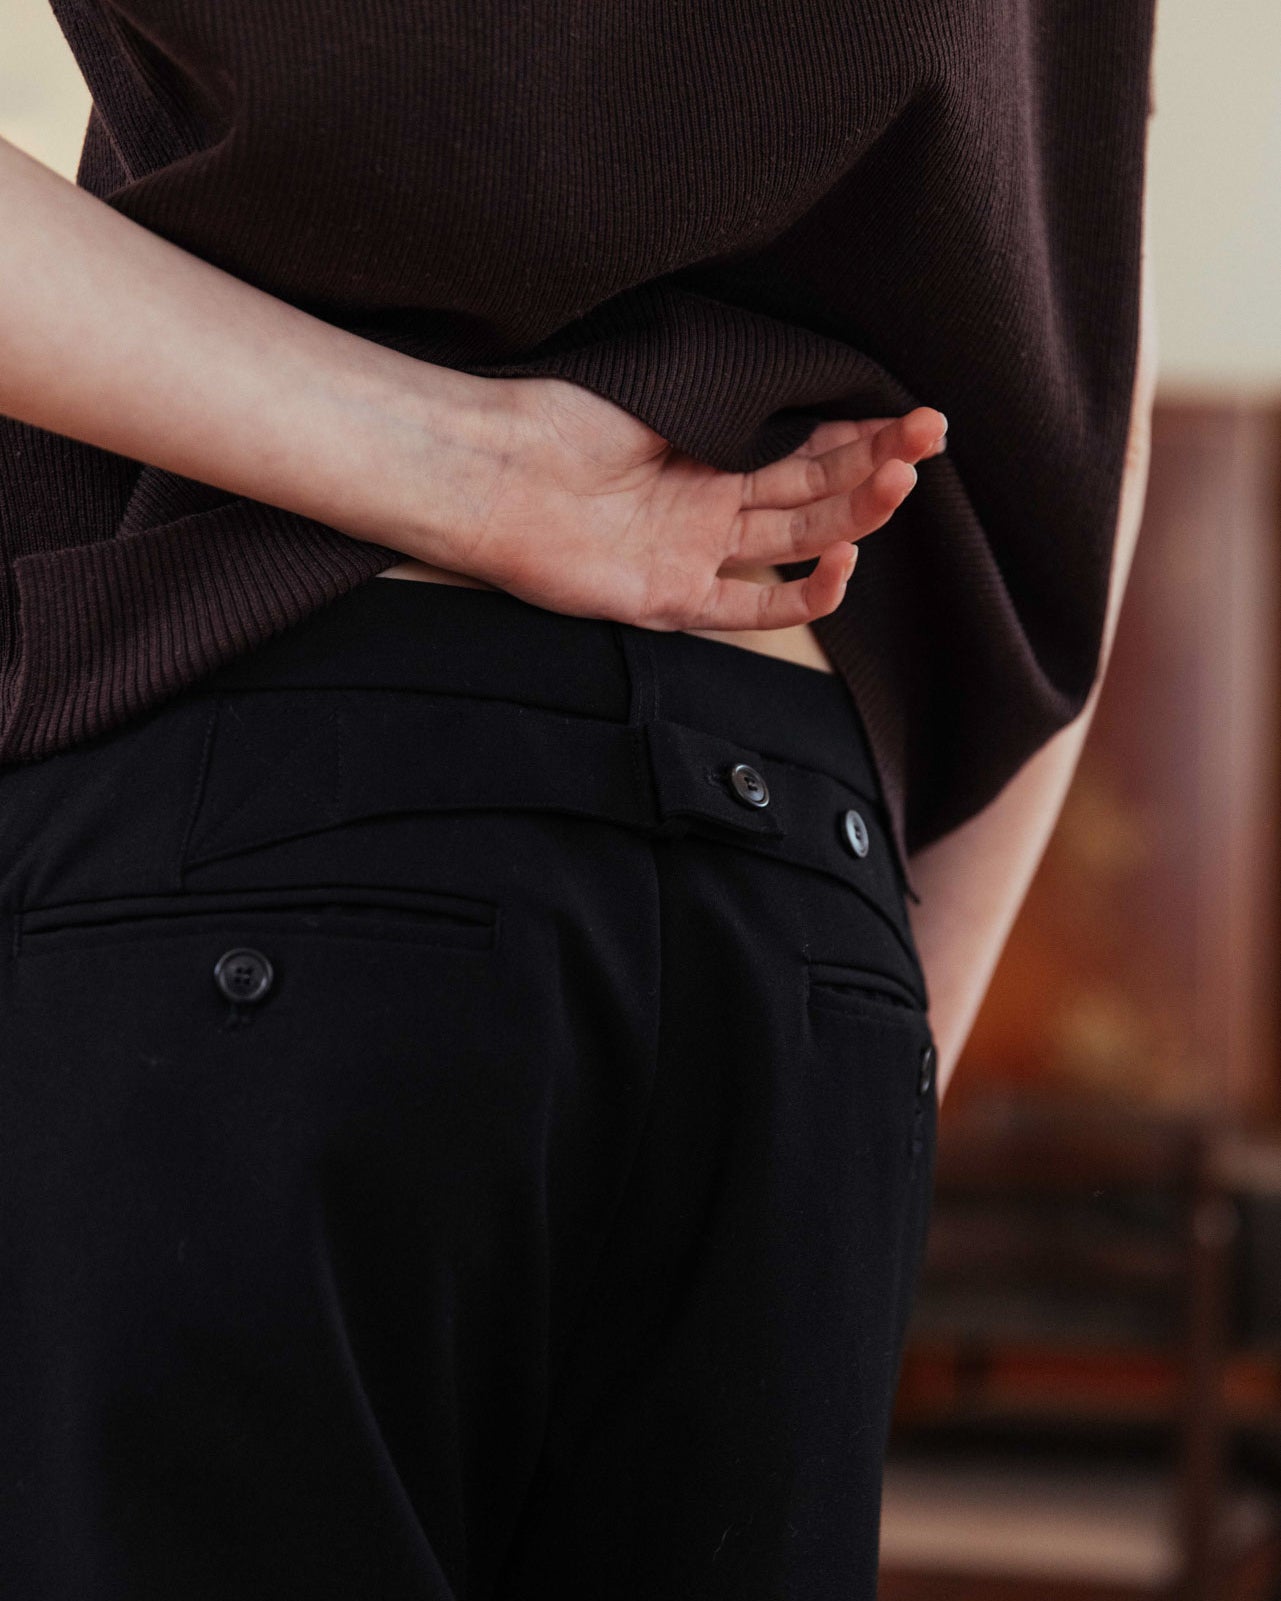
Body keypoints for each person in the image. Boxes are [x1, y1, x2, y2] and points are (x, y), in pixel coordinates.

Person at [0, 3, 1158, 1596]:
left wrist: (473, 468)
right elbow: (1092, 393)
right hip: (798, 881)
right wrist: (885, 1021)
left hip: (257, 776)